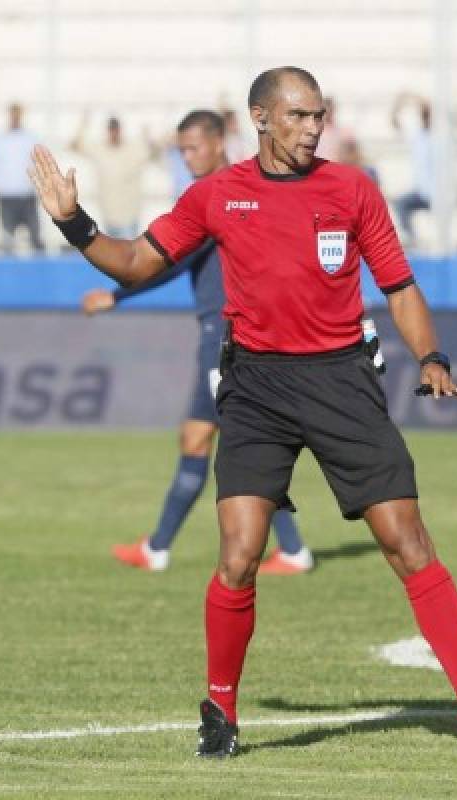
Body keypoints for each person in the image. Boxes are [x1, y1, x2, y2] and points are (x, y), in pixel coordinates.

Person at [28, 66, 457, 766]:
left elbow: (399, 286)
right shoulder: (218, 195)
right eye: (298, 116)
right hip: (256, 387)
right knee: (238, 555)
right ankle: (220, 712)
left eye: (319, 115)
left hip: (343, 381)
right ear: (260, 118)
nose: (313, 128)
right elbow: (134, 263)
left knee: (408, 544)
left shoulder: (352, 189)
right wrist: (73, 221)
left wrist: (432, 356)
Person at [86, 110, 314, 576]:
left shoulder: (224, 195)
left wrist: (117, 294)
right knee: (197, 438)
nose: (186, 157)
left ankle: (291, 550)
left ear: (217, 143)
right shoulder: (233, 191)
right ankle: (158, 547)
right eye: (181, 150)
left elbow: (165, 261)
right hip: (221, 338)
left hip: (231, 340)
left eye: (192, 148)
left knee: (245, 447)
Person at [71, 115, 152, 238]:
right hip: (109, 215)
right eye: (111, 129)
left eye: (116, 129)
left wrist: (147, 133)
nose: (114, 133)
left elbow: (153, 151)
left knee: (128, 254)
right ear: (108, 131)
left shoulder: (133, 149)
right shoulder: (99, 149)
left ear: (120, 130)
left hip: (129, 216)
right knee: (113, 255)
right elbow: (75, 145)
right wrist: (83, 124)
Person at [0, 103, 45, 255]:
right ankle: (8, 274)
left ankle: (41, 273)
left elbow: (40, 164)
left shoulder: (31, 138)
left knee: (35, 238)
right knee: (7, 240)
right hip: (7, 196)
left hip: (27, 195)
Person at [390, 92, 434, 247]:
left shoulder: (440, 136)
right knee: (400, 204)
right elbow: (396, 124)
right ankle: (412, 239)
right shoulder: (418, 135)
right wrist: (399, 104)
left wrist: (417, 99)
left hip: (440, 193)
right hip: (422, 189)